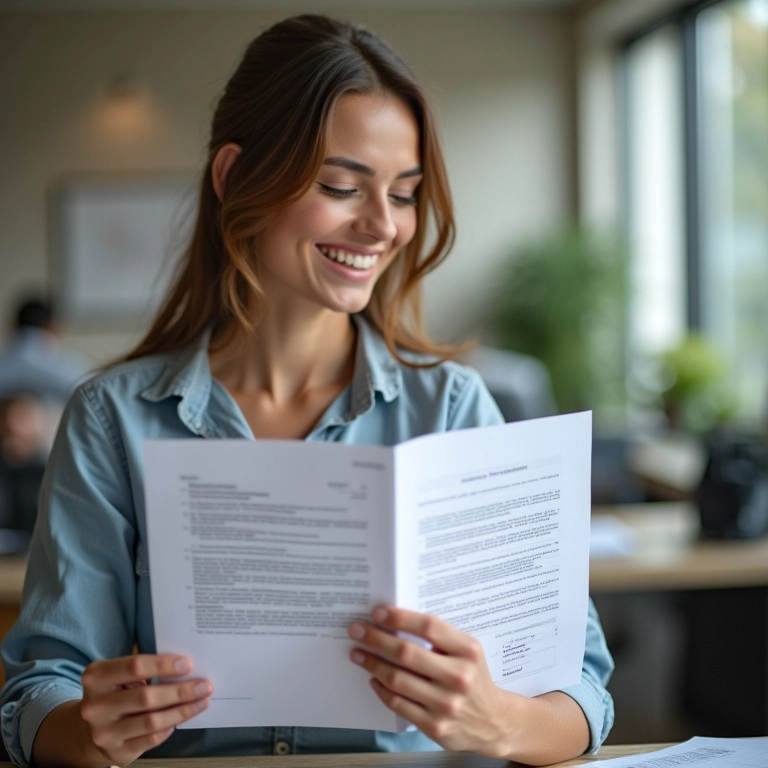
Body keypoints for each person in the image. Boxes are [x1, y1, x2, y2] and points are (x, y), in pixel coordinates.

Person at [0, 14, 614, 767]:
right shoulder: (113, 418)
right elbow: (44, 686)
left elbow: (580, 687)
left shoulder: (452, 410)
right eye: (341, 186)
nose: (380, 226)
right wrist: (88, 733)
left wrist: (501, 722)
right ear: (233, 177)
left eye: (404, 193)